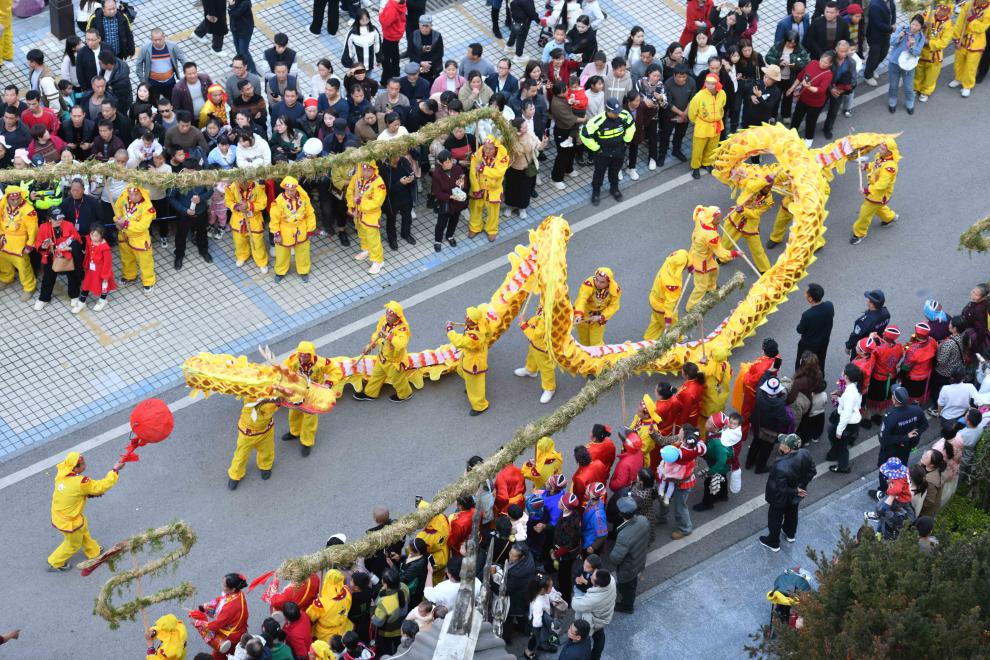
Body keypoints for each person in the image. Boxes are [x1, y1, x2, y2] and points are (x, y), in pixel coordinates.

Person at [47, 451, 123, 570]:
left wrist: (86, 494)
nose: (85, 465)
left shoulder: (62, 472)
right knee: (73, 544)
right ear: (75, 468)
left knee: (83, 530)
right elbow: (100, 487)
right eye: (83, 464)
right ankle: (55, 562)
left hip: (63, 515)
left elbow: (73, 492)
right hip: (69, 521)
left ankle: (93, 551)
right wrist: (115, 470)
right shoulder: (80, 482)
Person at [759, 434, 816, 551]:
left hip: (780, 498)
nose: (780, 445)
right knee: (792, 513)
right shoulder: (805, 453)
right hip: (796, 495)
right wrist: (800, 486)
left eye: (782, 444)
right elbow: (812, 471)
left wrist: (795, 490)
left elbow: (780, 488)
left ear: (788, 449)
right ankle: (790, 534)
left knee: (775, 518)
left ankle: (773, 542)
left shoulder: (780, 466)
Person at [354, 301, 413, 402]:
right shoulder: (384, 320)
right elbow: (377, 333)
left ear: (397, 317)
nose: (387, 317)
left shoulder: (402, 329)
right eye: (387, 314)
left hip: (394, 362)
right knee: (376, 376)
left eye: (390, 316)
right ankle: (370, 393)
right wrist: (370, 345)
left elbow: (401, 344)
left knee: (398, 380)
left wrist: (388, 336)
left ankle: (405, 394)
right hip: (382, 357)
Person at [580, 97, 634, 205]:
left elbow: (631, 126)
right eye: (615, 113)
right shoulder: (597, 121)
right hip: (603, 153)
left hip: (618, 151)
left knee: (615, 171)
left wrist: (626, 141)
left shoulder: (624, 115)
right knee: (599, 173)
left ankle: (614, 189)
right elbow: (584, 134)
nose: (618, 114)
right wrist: (596, 148)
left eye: (618, 111)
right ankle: (596, 191)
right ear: (608, 110)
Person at [685, 205, 737, 310]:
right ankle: (691, 307)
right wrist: (734, 254)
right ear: (711, 218)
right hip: (701, 261)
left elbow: (699, 209)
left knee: (715, 270)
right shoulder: (710, 235)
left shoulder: (702, 217)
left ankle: (711, 287)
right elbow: (720, 253)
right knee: (700, 286)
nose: (720, 221)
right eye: (718, 219)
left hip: (702, 254)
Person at [659, 426, 707, 540]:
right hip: (674, 477)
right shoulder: (696, 446)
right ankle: (661, 516)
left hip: (681, 481)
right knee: (664, 497)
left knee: (680, 506)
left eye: (680, 434)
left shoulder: (683, 453)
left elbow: (670, 456)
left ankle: (685, 528)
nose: (678, 435)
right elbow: (702, 447)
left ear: (686, 439)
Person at [33, 207, 81, 312]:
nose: (60, 220)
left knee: (72, 276)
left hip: (67, 254)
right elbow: (38, 243)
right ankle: (44, 298)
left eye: (61, 218)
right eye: (57, 219)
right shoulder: (43, 227)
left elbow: (77, 239)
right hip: (51, 255)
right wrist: (43, 247)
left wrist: (70, 248)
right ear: (50, 219)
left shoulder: (69, 225)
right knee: (48, 277)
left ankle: (74, 295)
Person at [270, 176, 316, 281]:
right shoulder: (279, 201)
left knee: (303, 252)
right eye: (287, 190)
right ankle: (280, 272)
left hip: (301, 230)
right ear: (284, 189)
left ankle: (304, 271)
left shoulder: (304, 198)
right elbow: (274, 219)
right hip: (284, 231)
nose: (290, 192)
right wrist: (276, 234)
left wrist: (310, 230)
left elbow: (310, 214)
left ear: (296, 188)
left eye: (292, 190)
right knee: (282, 253)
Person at [192, 574, 249, 659]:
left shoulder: (229, 608)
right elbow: (221, 600)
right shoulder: (238, 594)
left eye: (225, 585)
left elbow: (217, 624)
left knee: (218, 656)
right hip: (239, 629)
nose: (223, 587)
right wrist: (206, 607)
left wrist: (200, 623)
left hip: (231, 637)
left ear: (233, 589)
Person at [447, 306, 491, 415]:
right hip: (469, 355)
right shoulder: (481, 323)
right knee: (461, 370)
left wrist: (450, 330)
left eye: (468, 317)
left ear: (472, 321)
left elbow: (459, 342)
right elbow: (488, 333)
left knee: (475, 383)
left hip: (474, 361)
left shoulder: (473, 337)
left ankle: (480, 406)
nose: (465, 317)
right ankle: (469, 385)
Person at [345, 161, 387, 274]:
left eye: (369, 169)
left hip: (371, 216)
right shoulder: (356, 177)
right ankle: (366, 249)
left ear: (374, 169)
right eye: (364, 169)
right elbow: (350, 191)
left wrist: (361, 202)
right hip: (357, 213)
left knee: (373, 239)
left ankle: (378, 261)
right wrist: (352, 206)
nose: (366, 172)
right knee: (361, 233)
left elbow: (377, 202)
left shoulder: (379, 182)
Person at [166, 171, 213, 270]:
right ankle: (179, 255)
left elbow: (210, 190)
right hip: (184, 214)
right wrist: (184, 210)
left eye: (193, 171)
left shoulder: (204, 177)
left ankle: (203, 250)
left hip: (201, 212)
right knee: (181, 235)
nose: (190, 174)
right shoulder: (177, 180)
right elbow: (171, 197)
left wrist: (201, 198)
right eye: (188, 170)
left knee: (202, 232)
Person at [113, 184, 156, 291]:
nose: (132, 197)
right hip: (124, 235)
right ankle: (129, 276)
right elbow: (117, 208)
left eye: (136, 194)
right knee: (126, 258)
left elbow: (143, 226)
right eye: (131, 194)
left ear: (141, 193)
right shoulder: (124, 196)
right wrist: (117, 220)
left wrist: (125, 223)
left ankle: (148, 281)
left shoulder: (147, 206)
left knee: (145, 261)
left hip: (139, 238)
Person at [609, 498, 648, 614]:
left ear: (621, 514)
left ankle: (627, 606)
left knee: (626, 587)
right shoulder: (643, 520)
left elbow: (615, 558)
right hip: (639, 559)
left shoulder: (624, 535)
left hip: (628, 568)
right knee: (632, 583)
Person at [515, 305, 557, 404]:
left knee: (546, 368)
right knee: (532, 356)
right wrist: (529, 322)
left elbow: (534, 335)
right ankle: (531, 370)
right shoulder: (545, 303)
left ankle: (550, 388)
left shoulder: (550, 315)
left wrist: (523, 323)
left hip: (543, 347)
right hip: (536, 343)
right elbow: (538, 317)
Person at [571, 568, 615, 660]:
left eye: (592, 577)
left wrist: (577, 595)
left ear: (597, 584)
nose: (590, 576)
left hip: (594, 622)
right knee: (600, 636)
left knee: (586, 639)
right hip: (604, 616)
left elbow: (575, 604)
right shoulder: (611, 580)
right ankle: (596, 656)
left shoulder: (593, 599)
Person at [225, 179, 268, 273]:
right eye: (241, 181)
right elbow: (228, 201)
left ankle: (261, 261)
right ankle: (242, 256)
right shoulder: (231, 187)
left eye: (246, 181)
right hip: (238, 218)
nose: (243, 183)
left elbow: (263, 203)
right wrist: (237, 207)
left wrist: (248, 206)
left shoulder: (258, 187)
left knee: (258, 242)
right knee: (239, 240)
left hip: (255, 219)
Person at [687, 73, 726, 178]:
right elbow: (692, 112)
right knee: (698, 149)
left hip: (717, 125)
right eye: (708, 83)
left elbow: (722, 105)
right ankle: (695, 167)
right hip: (702, 126)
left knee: (712, 147)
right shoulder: (699, 96)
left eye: (712, 83)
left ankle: (707, 164)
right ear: (705, 83)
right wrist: (698, 122)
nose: (710, 86)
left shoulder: (722, 93)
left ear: (717, 84)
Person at [644, 249, 688, 340]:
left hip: (654, 299)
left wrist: (690, 265)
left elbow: (686, 256)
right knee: (673, 326)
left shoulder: (670, 261)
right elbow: (670, 302)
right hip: (662, 306)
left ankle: (649, 339)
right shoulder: (672, 282)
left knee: (656, 321)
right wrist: (668, 317)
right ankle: (678, 339)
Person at [887, 15, 926, 114]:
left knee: (908, 87)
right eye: (913, 24)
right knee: (893, 85)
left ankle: (910, 102)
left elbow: (917, 52)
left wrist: (912, 46)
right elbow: (891, 42)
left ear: (921, 27)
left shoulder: (921, 37)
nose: (914, 27)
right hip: (894, 62)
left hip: (909, 66)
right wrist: (899, 36)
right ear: (910, 23)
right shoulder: (902, 29)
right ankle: (892, 100)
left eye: (917, 25)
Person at [950, 0, 990, 97]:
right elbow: (960, 22)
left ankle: (967, 86)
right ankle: (958, 79)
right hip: (963, 39)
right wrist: (956, 37)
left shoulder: (989, 9)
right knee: (959, 60)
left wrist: (972, 19)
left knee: (971, 65)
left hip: (977, 42)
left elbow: (982, 28)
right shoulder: (968, 4)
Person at [573, 268, 622, 346]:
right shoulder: (589, 283)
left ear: (608, 282)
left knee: (596, 343)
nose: (598, 283)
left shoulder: (614, 289)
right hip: (583, 316)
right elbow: (582, 298)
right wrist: (578, 314)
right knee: (584, 342)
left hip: (598, 318)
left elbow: (614, 306)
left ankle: (599, 354)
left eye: (602, 282)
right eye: (597, 280)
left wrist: (601, 317)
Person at [379, 153, 415, 251]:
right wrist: (400, 183)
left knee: (407, 217)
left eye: (398, 156)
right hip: (392, 200)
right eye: (395, 157)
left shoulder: (403, 161)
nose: (397, 159)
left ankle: (406, 234)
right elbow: (385, 190)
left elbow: (411, 172)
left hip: (406, 196)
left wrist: (412, 178)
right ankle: (392, 239)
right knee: (391, 220)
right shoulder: (383, 169)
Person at [76, 225, 115, 313]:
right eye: (92, 235)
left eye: (96, 236)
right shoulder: (89, 240)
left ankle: (102, 300)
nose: (93, 237)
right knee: (86, 284)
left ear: (101, 235)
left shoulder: (105, 248)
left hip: (101, 270)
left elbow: (108, 263)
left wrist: (105, 275)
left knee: (103, 286)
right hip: (91, 269)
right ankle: (81, 302)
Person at [935, 366, 978, 436]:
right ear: (964, 378)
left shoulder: (945, 389)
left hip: (947, 418)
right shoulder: (970, 387)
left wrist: (939, 414)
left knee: (946, 434)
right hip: (962, 416)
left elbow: (940, 404)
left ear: (951, 376)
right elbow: (978, 401)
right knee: (957, 433)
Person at [863, 0, 897, 85]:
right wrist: (891, 28)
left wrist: (893, 23)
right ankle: (867, 75)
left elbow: (893, 12)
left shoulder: (890, 1)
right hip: (874, 35)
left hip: (886, 34)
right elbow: (878, 24)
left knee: (883, 54)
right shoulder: (875, 5)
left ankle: (872, 69)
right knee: (874, 56)